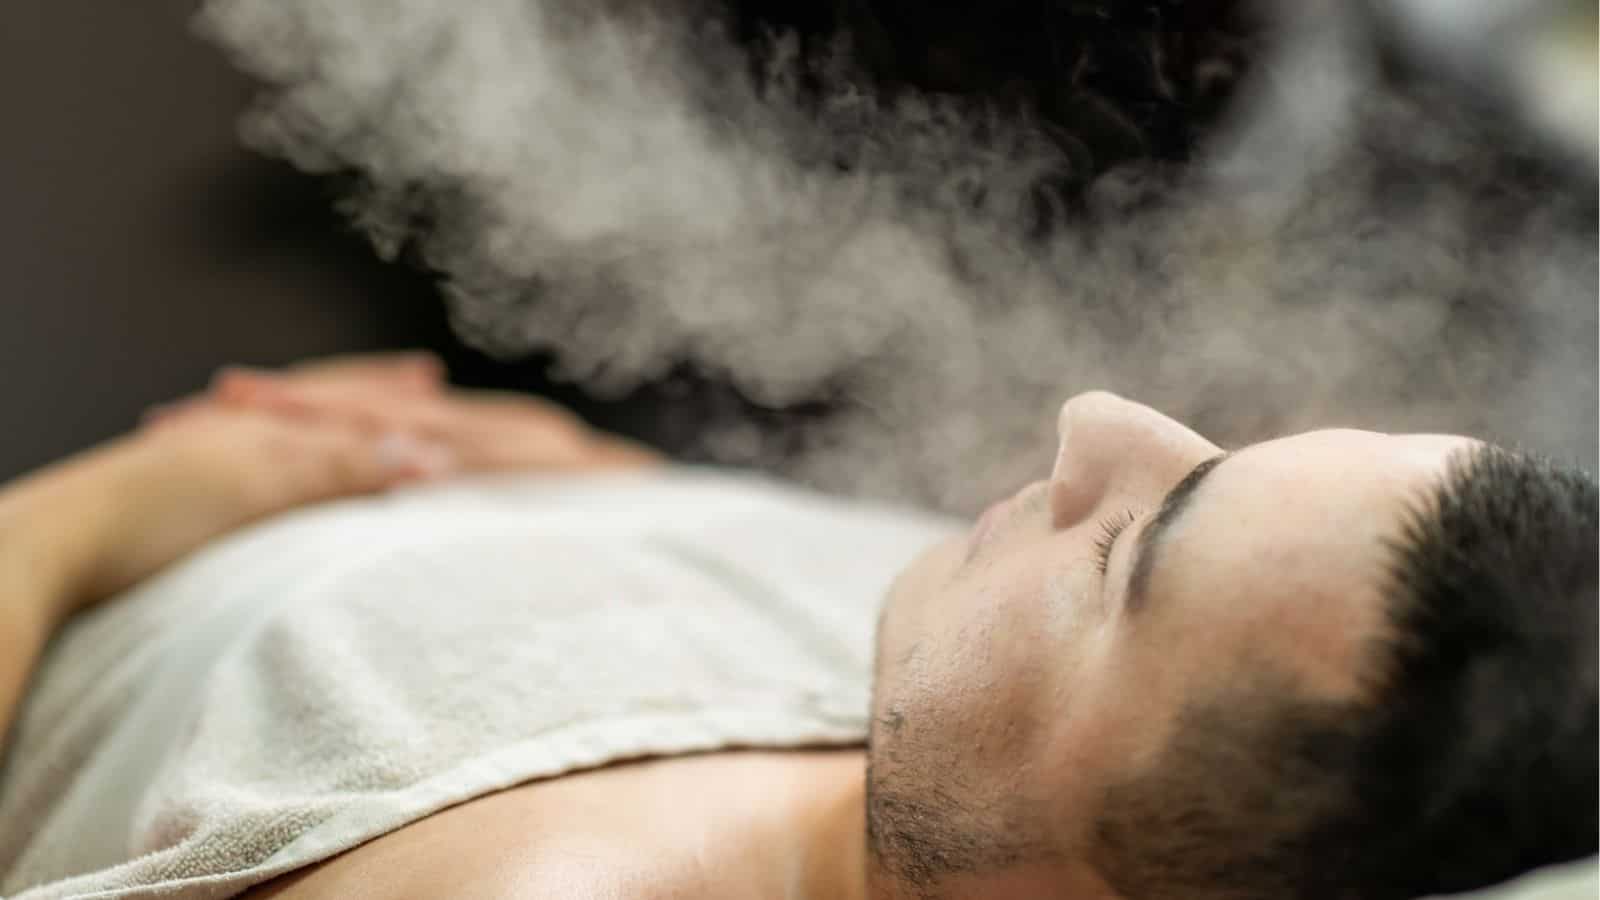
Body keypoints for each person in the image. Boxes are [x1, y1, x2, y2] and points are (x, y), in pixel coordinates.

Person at [0, 350, 1593, 900]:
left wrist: (97, 514)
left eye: (1130, 557)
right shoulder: (951, 686)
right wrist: (577, 485)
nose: (1098, 427)